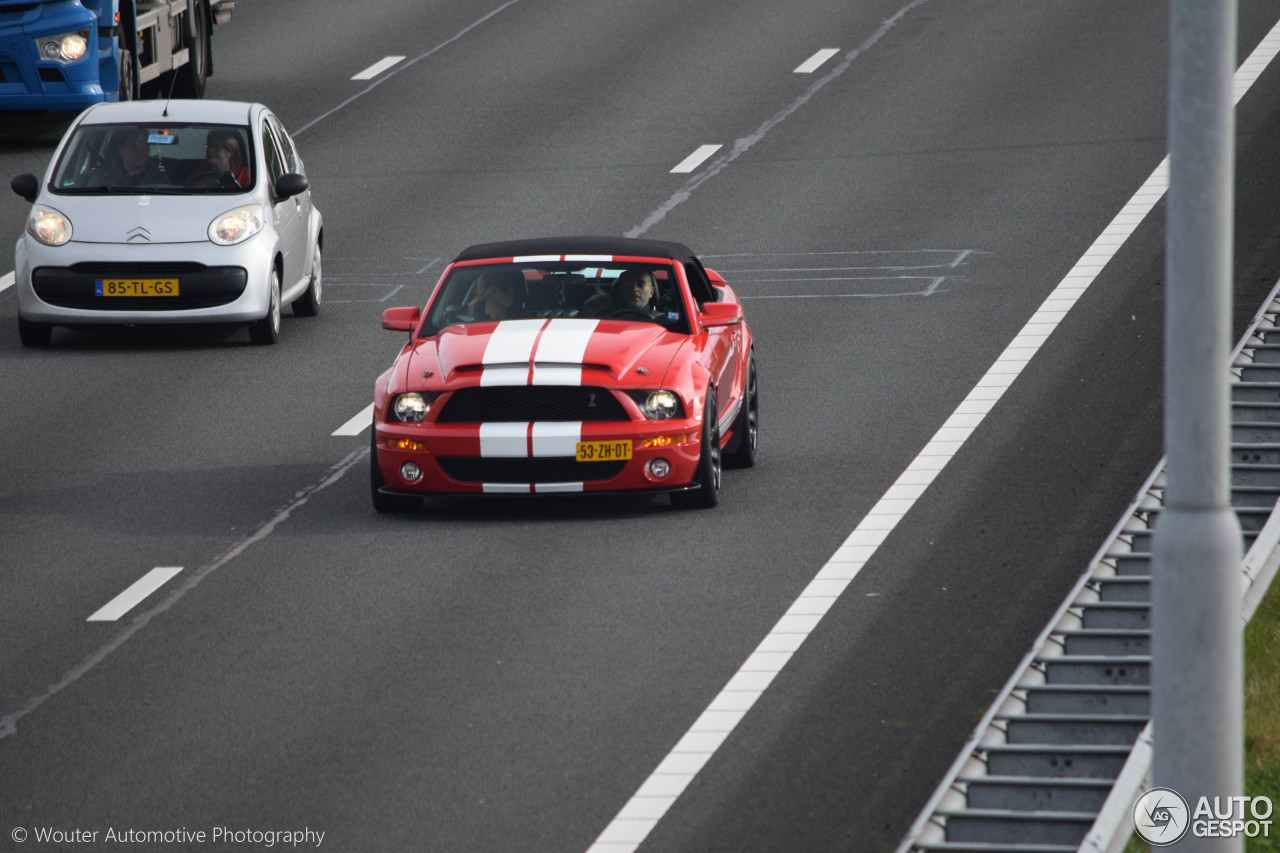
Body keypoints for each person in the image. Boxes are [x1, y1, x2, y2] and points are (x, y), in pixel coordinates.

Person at [91, 129, 168, 187]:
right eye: (133, 147)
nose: (139, 152)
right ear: (121, 150)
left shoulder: (159, 180)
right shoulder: (103, 176)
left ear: (148, 151)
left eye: (143, 147)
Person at [185, 129, 250, 188]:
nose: (211, 150)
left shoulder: (246, 175)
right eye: (209, 146)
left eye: (217, 147)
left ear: (231, 151)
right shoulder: (197, 176)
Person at [582, 269, 657, 317]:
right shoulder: (604, 317)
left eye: (640, 284)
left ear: (651, 292)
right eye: (628, 285)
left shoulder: (662, 322)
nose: (634, 289)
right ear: (622, 290)